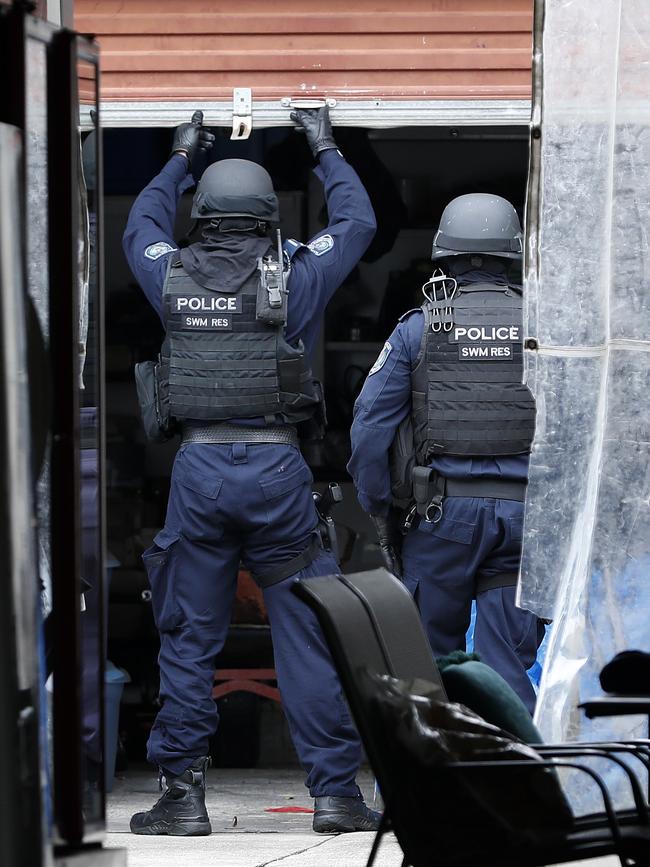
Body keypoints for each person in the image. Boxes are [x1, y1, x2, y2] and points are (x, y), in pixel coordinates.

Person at [122, 107, 379, 836]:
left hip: (199, 470)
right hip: (278, 471)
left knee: (188, 637)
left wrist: (179, 157)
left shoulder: (167, 271)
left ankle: (183, 797)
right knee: (305, 632)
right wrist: (324, 146)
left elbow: (137, 223)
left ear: (200, 214)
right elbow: (356, 221)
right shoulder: (296, 274)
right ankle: (334, 794)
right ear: (268, 215)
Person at [348, 193, 544, 714]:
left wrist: (378, 504)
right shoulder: (544, 326)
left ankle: (436, 786)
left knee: (428, 662)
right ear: (513, 253)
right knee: (507, 663)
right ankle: (517, 783)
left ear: (445, 253)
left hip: (442, 519)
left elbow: (370, 425)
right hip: (526, 519)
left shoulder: (418, 329)